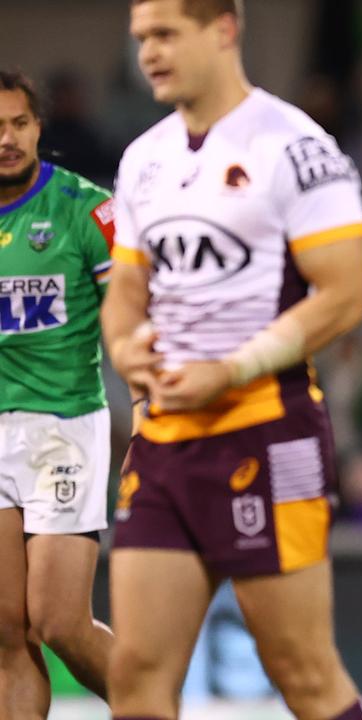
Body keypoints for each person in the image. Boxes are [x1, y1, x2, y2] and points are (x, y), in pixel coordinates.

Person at [102, 1, 362, 718]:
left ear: (224, 28)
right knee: (135, 678)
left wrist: (229, 370)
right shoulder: (143, 159)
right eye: (140, 39)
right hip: (163, 444)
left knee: (303, 673)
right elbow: (125, 295)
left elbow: (344, 296)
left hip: (266, 430)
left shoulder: (294, 147)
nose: (148, 53)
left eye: (165, 34)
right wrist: (128, 347)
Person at [0, 69, 116, 717]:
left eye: (19, 123)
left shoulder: (84, 208)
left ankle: (152, 706)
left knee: (59, 622)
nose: (8, 139)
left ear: (39, 126)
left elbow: (133, 313)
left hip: (61, 429)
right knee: (6, 635)